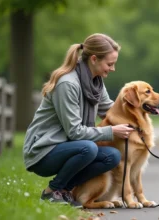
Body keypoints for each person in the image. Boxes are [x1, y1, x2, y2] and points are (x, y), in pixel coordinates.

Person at [23, 33, 134, 208]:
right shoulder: (68, 84)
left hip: (69, 147)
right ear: (95, 59)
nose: (113, 69)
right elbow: (74, 132)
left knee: (112, 156)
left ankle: (65, 190)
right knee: (88, 148)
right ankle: (52, 191)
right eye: (110, 64)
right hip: (44, 151)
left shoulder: (95, 82)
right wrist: (111, 132)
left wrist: (139, 120)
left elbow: (111, 111)